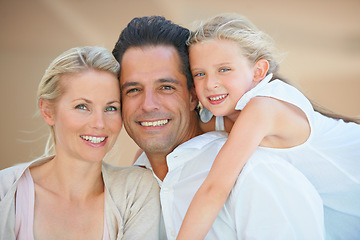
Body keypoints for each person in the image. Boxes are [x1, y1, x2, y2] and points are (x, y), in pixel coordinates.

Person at [113, 16, 325, 240]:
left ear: (193, 94)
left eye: (166, 87)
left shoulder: (255, 174)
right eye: (133, 90)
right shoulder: (127, 185)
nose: (148, 105)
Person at [176, 13, 360, 240]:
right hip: (338, 202)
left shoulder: (263, 109)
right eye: (200, 74)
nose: (210, 83)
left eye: (224, 69)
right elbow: (179, 136)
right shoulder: (227, 115)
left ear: (258, 71)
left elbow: (215, 189)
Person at [0, 46, 161, 240]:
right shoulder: (6, 191)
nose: (99, 124)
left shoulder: (136, 190)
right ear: (48, 111)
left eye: (111, 108)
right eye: (82, 106)